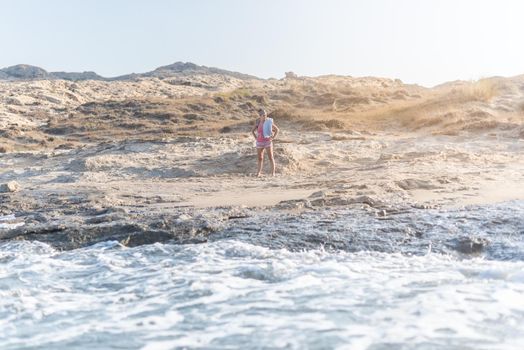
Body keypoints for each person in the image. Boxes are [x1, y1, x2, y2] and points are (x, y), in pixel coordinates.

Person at [251, 108, 279, 176]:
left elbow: (277, 130)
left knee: (271, 157)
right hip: (259, 142)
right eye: (263, 115)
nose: (265, 116)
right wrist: (256, 138)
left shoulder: (269, 122)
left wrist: (273, 138)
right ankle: (258, 173)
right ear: (260, 115)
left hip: (267, 142)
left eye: (266, 114)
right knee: (260, 158)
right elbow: (252, 131)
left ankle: (273, 173)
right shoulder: (258, 122)